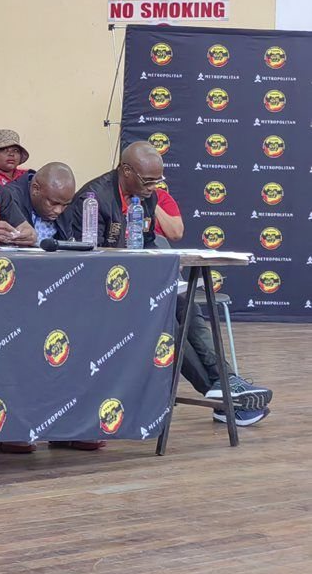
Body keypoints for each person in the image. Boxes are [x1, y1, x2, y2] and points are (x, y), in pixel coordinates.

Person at [69, 142, 273, 426]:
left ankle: (225, 383)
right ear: (126, 171)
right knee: (165, 320)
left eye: (158, 180)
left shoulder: (147, 196)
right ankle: (223, 395)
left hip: (135, 286)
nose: (154, 187)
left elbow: (149, 242)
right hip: (100, 295)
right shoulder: (93, 200)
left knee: (185, 305)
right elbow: (87, 261)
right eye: (148, 180)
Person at [0, 162, 76, 246]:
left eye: (65, 205)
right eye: (53, 203)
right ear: (35, 189)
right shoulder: (8, 198)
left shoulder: (64, 201)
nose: (59, 211)